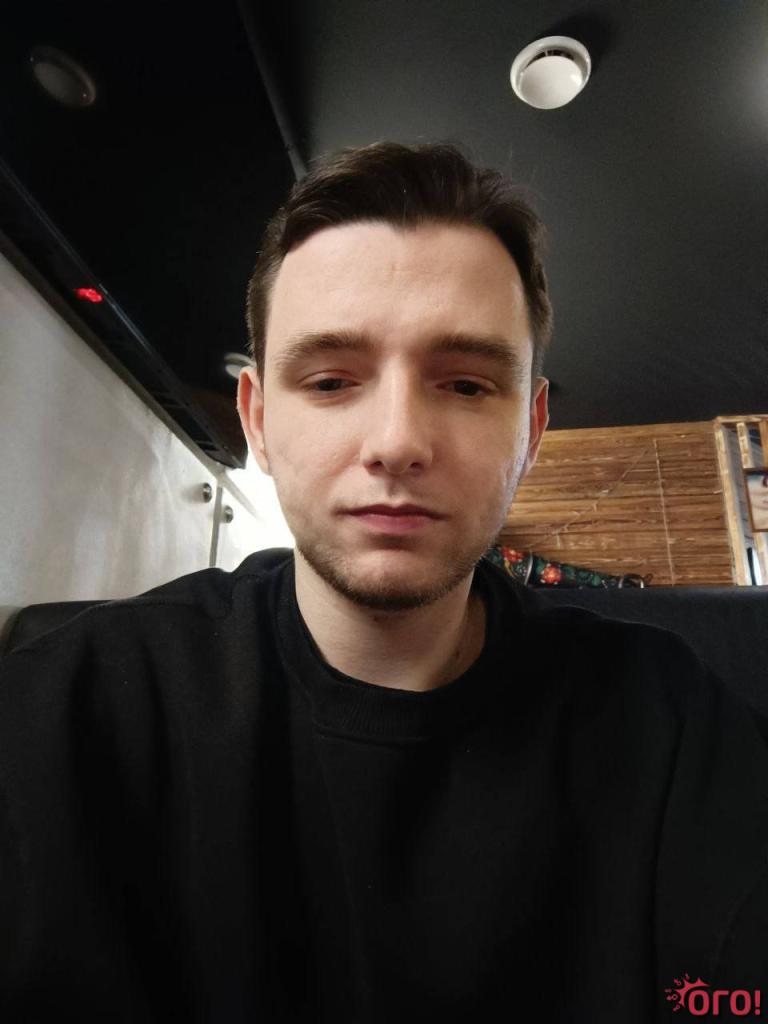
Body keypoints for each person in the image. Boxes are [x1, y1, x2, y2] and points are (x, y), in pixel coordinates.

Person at [1, 142, 768, 1024]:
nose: (397, 441)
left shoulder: (668, 720)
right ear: (258, 420)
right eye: (331, 381)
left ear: (531, 429)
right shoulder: (64, 714)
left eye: (467, 385)